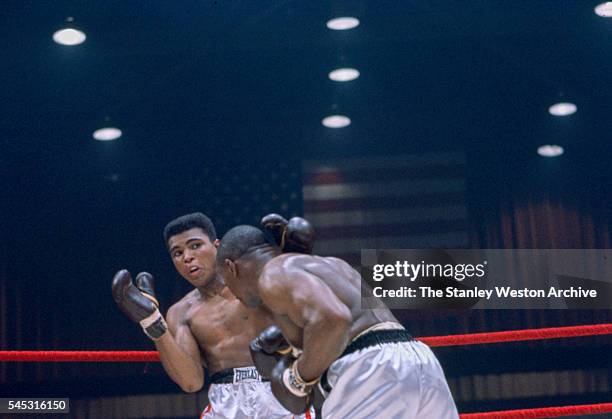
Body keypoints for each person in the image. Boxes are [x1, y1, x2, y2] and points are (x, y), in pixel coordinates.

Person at [217, 225, 459, 419]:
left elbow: (334, 319)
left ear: (230, 267)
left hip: (370, 370)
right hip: (417, 358)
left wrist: (296, 378)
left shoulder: (271, 275)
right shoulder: (328, 264)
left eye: (226, 283)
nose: (232, 293)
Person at [112, 213, 315, 419]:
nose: (187, 257)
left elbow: (306, 308)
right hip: (224, 402)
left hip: (278, 393)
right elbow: (191, 382)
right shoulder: (180, 312)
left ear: (216, 246)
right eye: (177, 252)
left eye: (195, 245)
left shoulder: (255, 284)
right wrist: (153, 323)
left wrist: (289, 257)